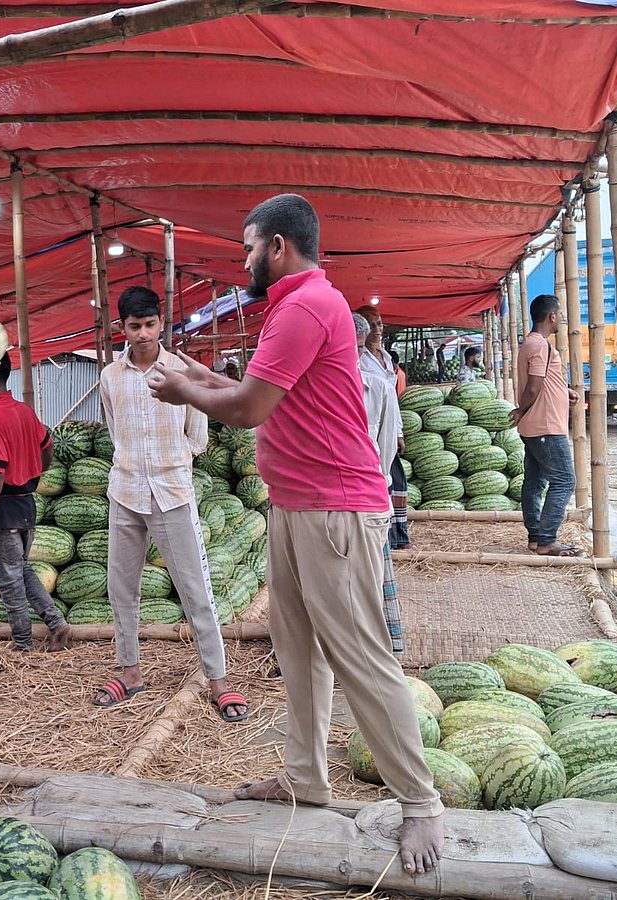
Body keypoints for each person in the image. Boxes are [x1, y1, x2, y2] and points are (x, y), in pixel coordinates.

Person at [148, 194, 444, 875]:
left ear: (277, 246)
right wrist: (198, 374)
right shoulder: (299, 306)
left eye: (249, 246)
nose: (244, 259)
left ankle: (421, 803)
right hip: (299, 504)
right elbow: (262, 391)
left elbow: (249, 409)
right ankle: (305, 779)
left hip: (333, 510)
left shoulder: (305, 305)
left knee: (362, 657)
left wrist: (185, 393)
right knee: (300, 649)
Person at [95, 286, 246, 721]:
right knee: (121, 589)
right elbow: (115, 429)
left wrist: (168, 460)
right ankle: (130, 672)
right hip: (124, 491)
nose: (142, 334)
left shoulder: (182, 371)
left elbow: (197, 437)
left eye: (149, 325)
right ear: (120, 328)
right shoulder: (110, 376)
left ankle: (218, 681)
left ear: (161, 324)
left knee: (195, 589)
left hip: (173, 493)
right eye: (133, 326)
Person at [0, 353, 70, 653]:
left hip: (4, 510)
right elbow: (47, 447)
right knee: (21, 570)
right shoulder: (22, 411)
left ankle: (22, 643)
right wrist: (35, 472)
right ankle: (56, 622)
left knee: (8, 579)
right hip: (27, 505)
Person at [512, 294, 580, 558]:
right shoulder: (540, 345)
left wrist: (564, 392)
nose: (561, 318)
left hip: (535, 427)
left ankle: (535, 538)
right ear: (552, 316)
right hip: (546, 427)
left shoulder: (531, 344)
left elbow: (543, 381)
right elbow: (533, 386)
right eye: (559, 314)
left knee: (534, 482)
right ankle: (547, 540)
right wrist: (521, 409)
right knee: (565, 481)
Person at [353, 316, 403, 654]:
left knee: (368, 581)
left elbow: (384, 453)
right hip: (330, 506)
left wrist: (377, 489)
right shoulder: (311, 385)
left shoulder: (377, 386)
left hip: (367, 500)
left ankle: (376, 649)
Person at [356, 307, 408, 549]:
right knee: (384, 481)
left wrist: (398, 431)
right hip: (371, 429)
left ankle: (398, 534)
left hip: (389, 424)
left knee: (396, 482)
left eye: (379, 323)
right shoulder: (360, 358)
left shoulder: (386, 358)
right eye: (371, 325)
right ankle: (388, 537)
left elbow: (392, 400)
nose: (376, 329)